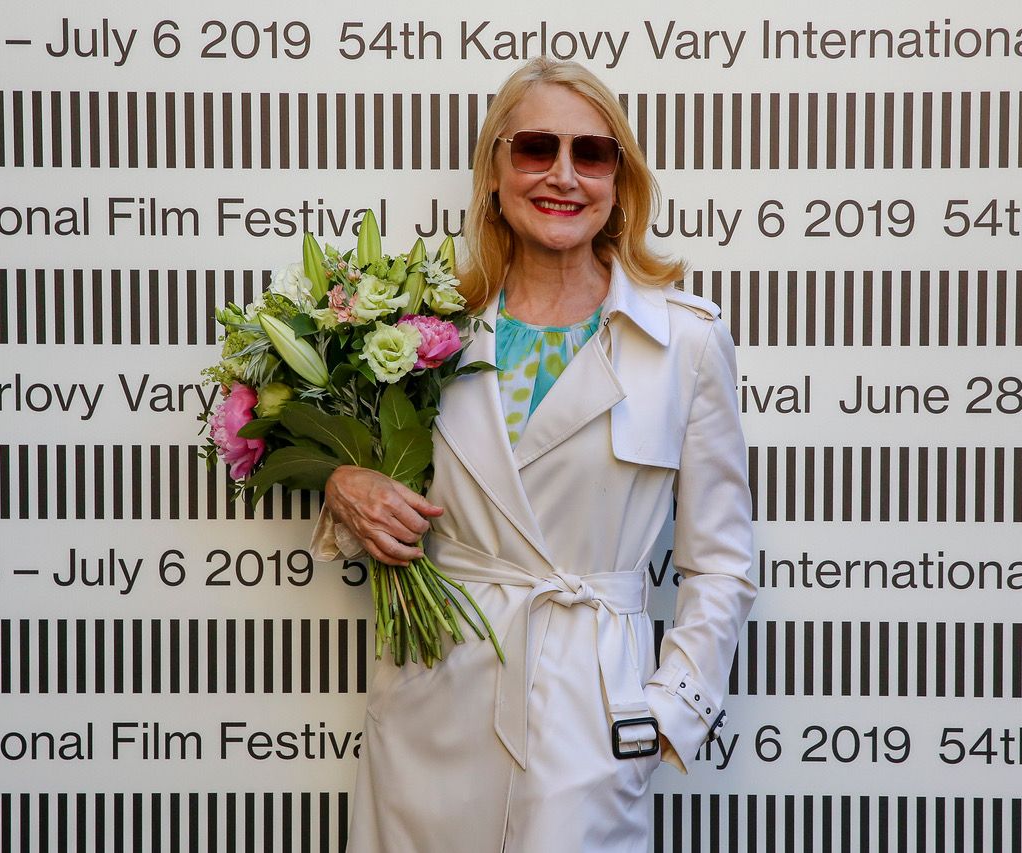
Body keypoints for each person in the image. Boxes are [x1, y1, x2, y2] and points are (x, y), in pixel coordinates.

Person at [310, 56, 756, 852]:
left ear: (620, 180)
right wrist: (344, 483)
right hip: (433, 704)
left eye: (592, 153)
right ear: (494, 171)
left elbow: (721, 561)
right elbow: (387, 505)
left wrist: (667, 711)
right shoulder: (422, 332)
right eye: (536, 148)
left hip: (590, 712)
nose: (563, 175)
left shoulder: (684, 341)